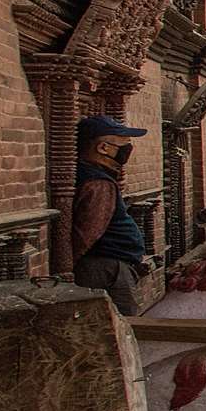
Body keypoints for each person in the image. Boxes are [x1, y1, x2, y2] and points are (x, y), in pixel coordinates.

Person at [73, 114, 150, 314]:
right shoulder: (98, 182)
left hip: (108, 264)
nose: (126, 150)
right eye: (122, 145)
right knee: (124, 327)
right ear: (103, 148)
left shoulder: (94, 175)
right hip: (106, 267)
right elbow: (89, 230)